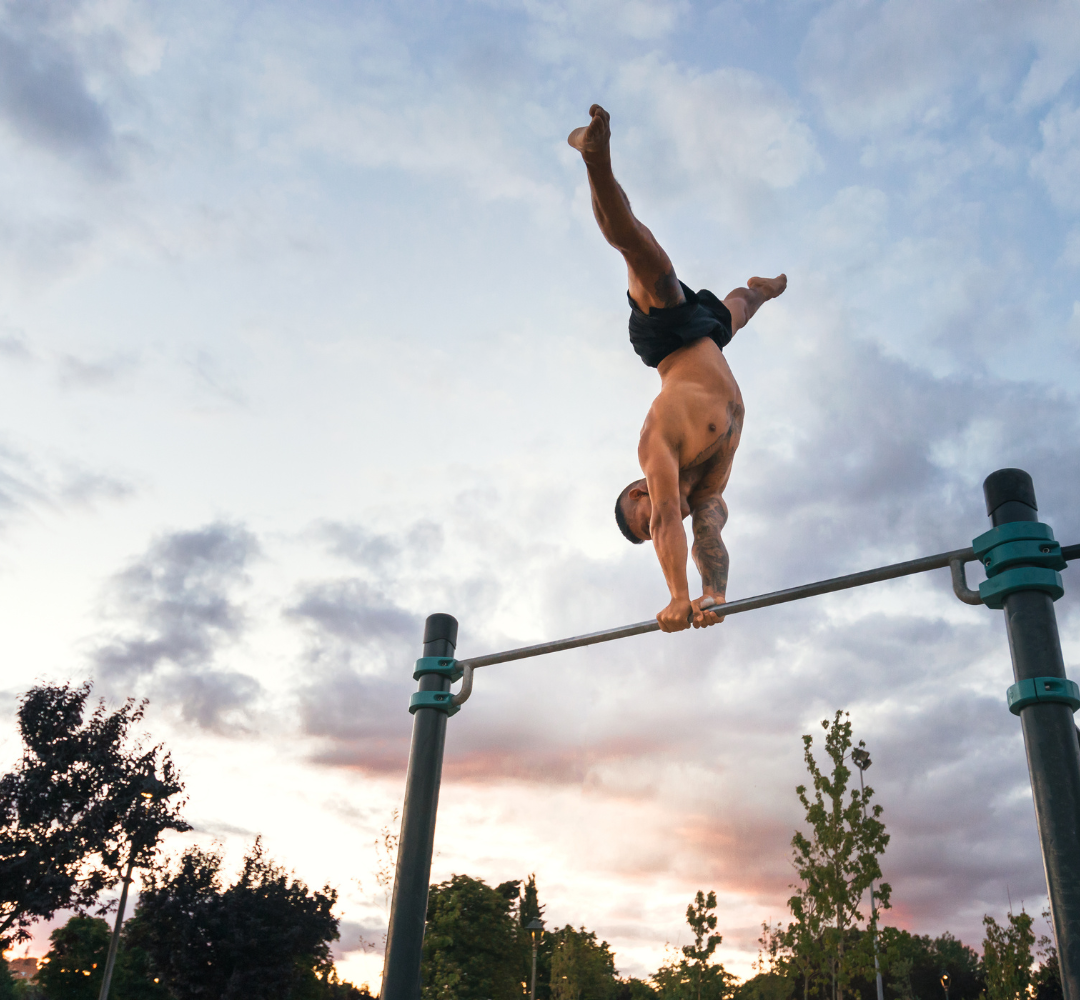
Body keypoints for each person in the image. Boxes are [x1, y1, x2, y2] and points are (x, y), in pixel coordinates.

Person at [568, 104, 787, 633]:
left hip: (666, 340)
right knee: (739, 308)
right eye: (655, 535)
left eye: (648, 523)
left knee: (646, 260)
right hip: (707, 339)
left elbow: (668, 518)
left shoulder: (656, 450)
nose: (672, 521)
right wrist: (712, 595)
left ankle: (595, 159)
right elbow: (708, 530)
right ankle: (759, 287)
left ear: (643, 491)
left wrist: (676, 595)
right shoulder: (708, 483)